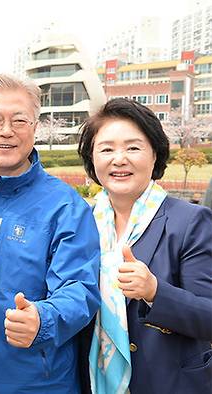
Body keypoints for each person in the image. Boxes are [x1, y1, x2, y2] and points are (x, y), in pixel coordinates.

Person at [0, 74, 101, 393]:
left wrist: (43, 319)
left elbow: (80, 289)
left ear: (35, 128)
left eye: (19, 120)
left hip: (37, 383)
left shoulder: (64, 206)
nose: (6, 131)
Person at [78, 98, 212, 394]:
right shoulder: (81, 221)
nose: (119, 159)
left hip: (169, 384)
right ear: (92, 158)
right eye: (107, 149)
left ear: (154, 155)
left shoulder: (189, 222)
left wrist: (155, 291)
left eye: (133, 147)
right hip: (93, 381)